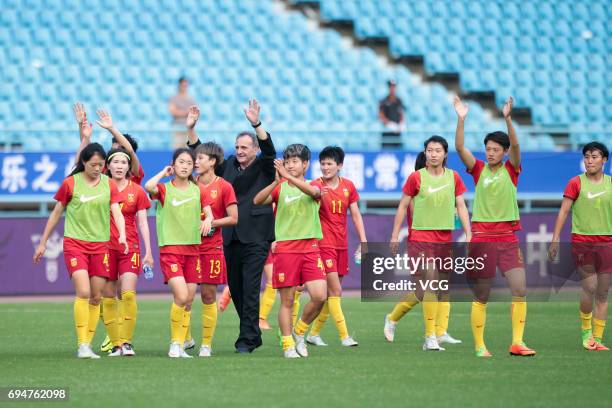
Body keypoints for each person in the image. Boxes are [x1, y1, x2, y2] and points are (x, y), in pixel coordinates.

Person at [187, 100, 276, 353]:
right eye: (237, 146)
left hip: (257, 235)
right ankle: (253, 333)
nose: (240, 150)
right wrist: (192, 130)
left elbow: (270, 150)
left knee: (250, 287)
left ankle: (246, 340)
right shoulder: (227, 166)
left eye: (245, 147)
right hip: (229, 235)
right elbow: (204, 157)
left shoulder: (264, 166)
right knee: (236, 289)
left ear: (254, 149)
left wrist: (256, 123)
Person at [454, 95, 535, 357]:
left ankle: (517, 343)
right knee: (482, 293)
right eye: (487, 148)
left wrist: (508, 119)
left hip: (508, 237)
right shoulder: (478, 169)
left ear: (504, 151)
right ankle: (480, 345)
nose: (490, 152)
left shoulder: (512, 169)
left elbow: (517, 144)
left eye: (495, 149)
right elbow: (459, 148)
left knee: (520, 289)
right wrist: (461, 119)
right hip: (482, 238)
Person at [33, 141, 128, 359]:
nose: (97, 169)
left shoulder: (109, 184)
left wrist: (122, 234)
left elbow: (117, 212)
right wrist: (43, 242)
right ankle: (82, 345)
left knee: (96, 296)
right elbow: (56, 213)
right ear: (83, 163)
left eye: (101, 165)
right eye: (93, 165)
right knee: (83, 292)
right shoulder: (70, 184)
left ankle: (88, 344)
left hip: (101, 245)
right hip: (75, 244)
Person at [387, 136, 471, 351]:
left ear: (445, 154)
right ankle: (430, 337)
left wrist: (469, 233)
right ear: (425, 153)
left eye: (437, 150)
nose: (433, 154)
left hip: (444, 239)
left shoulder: (454, 177)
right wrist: (395, 235)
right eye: (429, 150)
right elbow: (402, 206)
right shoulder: (416, 178)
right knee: (430, 284)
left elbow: (461, 205)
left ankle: (435, 331)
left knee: (439, 287)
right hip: (421, 239)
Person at [253, 145, 327, 358]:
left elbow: (314, 193)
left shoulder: (314, 185)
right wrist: (277, 181)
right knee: (286, 301)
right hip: (286, 249)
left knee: (320, 296)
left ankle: (299, 331)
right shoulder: (281, 187)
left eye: (295, 162)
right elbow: (257, 201)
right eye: (287, 162)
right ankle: (287, 345)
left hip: (310, 248)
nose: (290, 165)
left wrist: (287, 176)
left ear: (306, 164)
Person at [144, 149, 213, 358]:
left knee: (189, 299)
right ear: (173, 165)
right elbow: (148, 186)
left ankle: (181, 344)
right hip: (171, 250)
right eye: (181, 162)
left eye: (189, 163)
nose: (185, 166)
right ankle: (175, 344)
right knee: (181, 296)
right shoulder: (164, 189)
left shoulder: (198, 189)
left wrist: (208, 219)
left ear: (193, 167)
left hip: (193, 250)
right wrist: (162, 174)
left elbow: (208, 211)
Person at [183, 109, 239, 357]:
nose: (196, 160)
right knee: (184, 296)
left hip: (212, 247)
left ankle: (206, 344)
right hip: (186, 246)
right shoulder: (186, 183)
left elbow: (234, 218)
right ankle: (183, 338)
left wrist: (212, 222)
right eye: (196, 157)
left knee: (207, 295)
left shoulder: (224, 186)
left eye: (202, 157)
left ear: (213, 161)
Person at [549, 142, 611, 351]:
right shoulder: (575, 183)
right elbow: (563, 212)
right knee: (590, 287)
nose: (590, 160)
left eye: (594, 156)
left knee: (603, 292)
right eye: (587, 157)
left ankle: (598, 339)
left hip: (607, 243)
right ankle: (587, 333)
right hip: (582, 242)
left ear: (604, 160)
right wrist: (555, 238)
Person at [306, 146, 366, 347]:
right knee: (336, 291)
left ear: (339, 166)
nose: (325, 167)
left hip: (341, 244)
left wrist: (363, 240)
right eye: (322, 163)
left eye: (329, 163)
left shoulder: (348, 186)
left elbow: (356, 214)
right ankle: (344, 336)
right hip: (323, 244)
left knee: (331, 295)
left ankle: (310, 333)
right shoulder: (315, 186)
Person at [99, 147, 153, 357]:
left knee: (128, 294)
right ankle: (115, 344)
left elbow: (143, 223)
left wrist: (148, 251)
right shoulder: (101, 188)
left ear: (129, 166)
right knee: (109, 296)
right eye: (116, 162)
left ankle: (127, 342)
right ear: (108, 166)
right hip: (105, 248)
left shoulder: (137, 191)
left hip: (130, 248)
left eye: (124, 162)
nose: (120, 166)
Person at [73, 103, 145, 185]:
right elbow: (86, 152)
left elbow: (130, 151)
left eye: (118, 150)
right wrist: (84, 134)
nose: (113, 153)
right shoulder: (106, 167)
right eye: (112, 150)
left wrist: (111, 128)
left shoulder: (134, 170)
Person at [169, 77, 197, 148]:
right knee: (177, 149)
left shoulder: (191, 99)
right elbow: (173, 112)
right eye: (183, 85)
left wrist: (180, 111)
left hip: (188, 128)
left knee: (188, 150)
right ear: (179, 85)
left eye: (186, 85)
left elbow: (194, 112)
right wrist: (186, 112)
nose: (184, 87)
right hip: (177, 128)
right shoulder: (174, 98)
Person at [379, 80, 405, 148]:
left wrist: (401, 124)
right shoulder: (384, 101)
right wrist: (390, 125)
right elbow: (381, 115)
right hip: (387, 132)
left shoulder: (399, 101)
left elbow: (401, 113)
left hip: (397, 132)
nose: (392, 89)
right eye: (391, 87)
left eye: (394, 87)